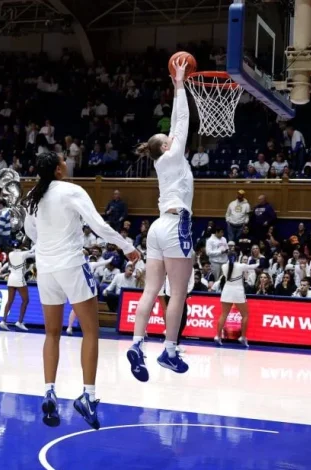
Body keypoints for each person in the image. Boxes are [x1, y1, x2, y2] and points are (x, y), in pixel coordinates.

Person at [22, 151, 139, 431]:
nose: (66, 163)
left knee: (51, 333)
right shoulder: (71, 190)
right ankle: (89, 395)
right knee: (90, 332)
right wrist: (127, 247)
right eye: (64, 161)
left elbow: (30, 232)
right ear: (60, 170)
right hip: (71, 265)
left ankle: (49, 390)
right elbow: (98, 226)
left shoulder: (32, 197)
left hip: (46, 268)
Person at [125, 56, 192, 383]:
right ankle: (169, 349)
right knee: (177, 293)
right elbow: (183, 120)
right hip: (177, 224)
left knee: (150, 290)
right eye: (167, 137)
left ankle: (137, 344)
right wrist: (178, 84)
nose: (172, 137)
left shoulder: (162, 163)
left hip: (156, 227)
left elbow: (177, 127)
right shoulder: (172, 156)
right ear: (164, 146)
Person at [66, 256, 112, 335]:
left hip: (90, 290)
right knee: (75, 309)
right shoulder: (75, 267)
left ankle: (90, 328)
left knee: (91, 309)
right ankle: (69, 327)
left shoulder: (91, 265)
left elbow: (101, 263)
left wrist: (109, 259)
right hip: (79, 289)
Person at [214, 254, 250, 347]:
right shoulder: (240, 267)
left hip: (227, 291)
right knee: (245, 315)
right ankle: (243, 337)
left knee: (223, 314)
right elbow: (246, 278)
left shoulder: (224, 266)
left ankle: (218, 336)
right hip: (237, 292)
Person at [0, 243, 35, 331]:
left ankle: (3, 321)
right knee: (26, 300)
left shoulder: (10, 254)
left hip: (11, 278)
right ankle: (20, 321)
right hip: (19, 278)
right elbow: (33, 253)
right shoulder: (23, 254)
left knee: (10, 300)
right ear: (20, 247)